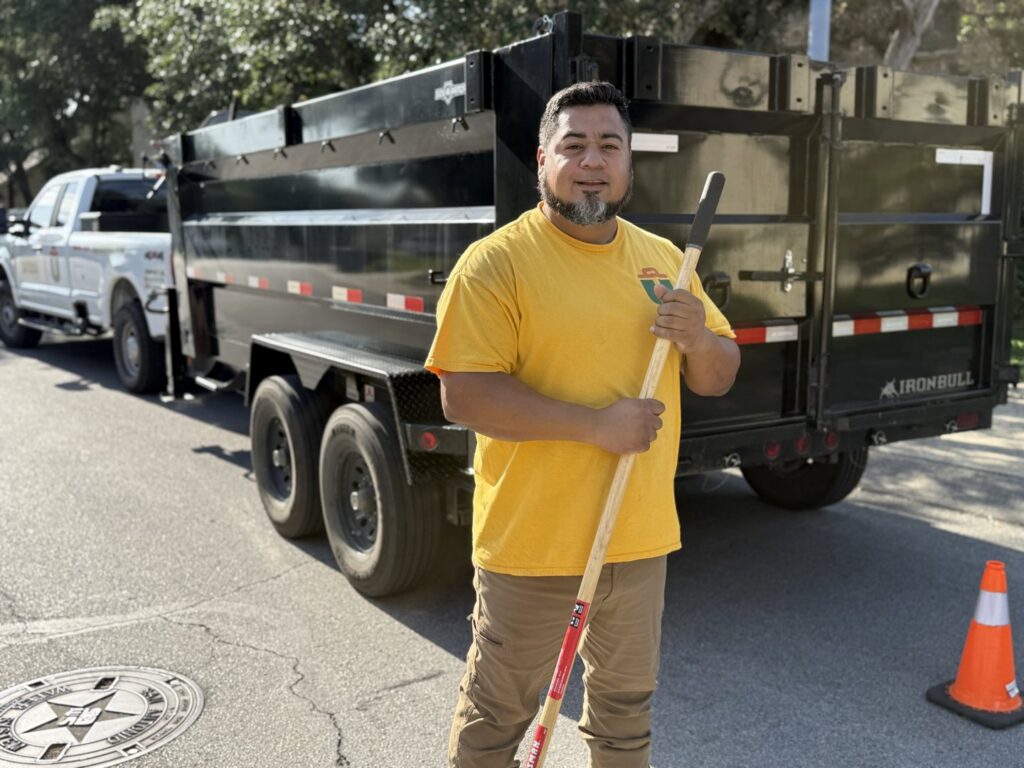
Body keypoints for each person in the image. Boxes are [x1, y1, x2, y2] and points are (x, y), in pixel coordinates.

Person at [426, 81, 740, 768]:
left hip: (640, 541)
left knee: (625, 720)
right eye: (574, 145)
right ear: (543, 159)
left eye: (609, 145)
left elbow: (719, 375)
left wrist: (700, 339)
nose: (592, 160)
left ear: (630, 163)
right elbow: (465, 397)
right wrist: (595, 426)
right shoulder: (496, 265)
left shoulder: (666, 262)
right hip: (531, 547)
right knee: (495, 724)